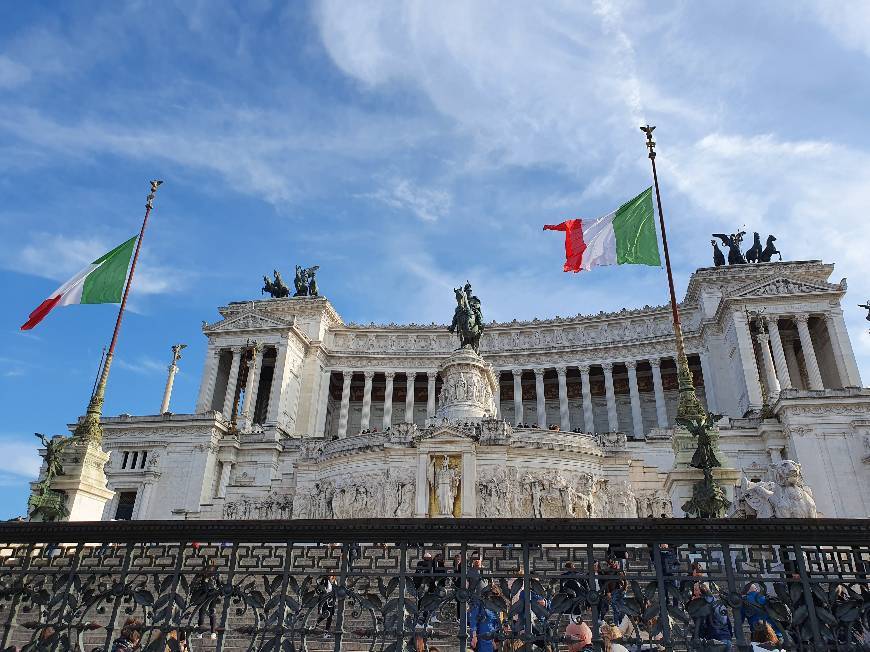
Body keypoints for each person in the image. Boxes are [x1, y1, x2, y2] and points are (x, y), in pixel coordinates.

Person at [468, 586, 505, 652]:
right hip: (481, 635)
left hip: (491, 637)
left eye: (496, 595)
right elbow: (473, 619)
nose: (494, 596)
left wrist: (494, 640)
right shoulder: (480, 603)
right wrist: (474, 636)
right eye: (492, 594)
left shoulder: (497, 607)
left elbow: (496, 624)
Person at [698, 584, 733, 651]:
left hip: (716, 639)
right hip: (727, 637)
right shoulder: (719, 603)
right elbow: (728, 622)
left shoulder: (704, 605)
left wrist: (701, 636)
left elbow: (703, 624)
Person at [599, 556, 627, 625]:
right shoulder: (607, 571)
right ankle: (617, 625)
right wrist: (608, 592)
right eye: (611, 562)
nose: (613, 563)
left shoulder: (620, 570)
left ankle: (621, 625)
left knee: (623, 610)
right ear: (608, 563)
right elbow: (606, 582)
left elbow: (625, 580)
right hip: (613, 592)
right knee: (616, 610)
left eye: (614, 561)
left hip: (622, 591)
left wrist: (625, 587)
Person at [317, 574, 337, 638]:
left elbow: (335, 591)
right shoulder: (324, 580)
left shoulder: (335, 581)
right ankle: (317, 622)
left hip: (331, 602)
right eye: (328, 574)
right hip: (325, 601)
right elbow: (320, 589)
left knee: (330, 618)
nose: (329, 575)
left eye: (331, 574)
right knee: (325, 615)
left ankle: (326, 633)